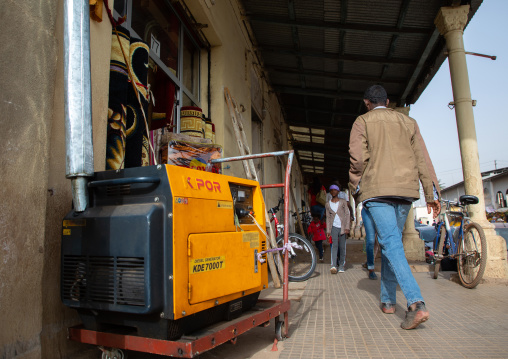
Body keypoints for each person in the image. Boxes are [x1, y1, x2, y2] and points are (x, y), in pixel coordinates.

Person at [349, 85, 441, 330]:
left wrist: (355, 185)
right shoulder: (408, 122)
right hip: (405, 193)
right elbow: (421, 158)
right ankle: (388, 301)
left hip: (377, 191)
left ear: (367, 103)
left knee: (390, 243)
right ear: (387, 101)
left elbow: (358, 159)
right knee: (393, 244)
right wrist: (430, 194)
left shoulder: (362, 121)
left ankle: (416, 304)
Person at [325, 184, 350, 274]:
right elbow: (328, 217)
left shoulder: (343, 202)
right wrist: (328, 231)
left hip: (342, 227)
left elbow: (347, 214)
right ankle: (333, 265)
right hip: (333, 228)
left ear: (338, 192)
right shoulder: (328, 204)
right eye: (331, 190)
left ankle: (341, 265)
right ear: (330, 192)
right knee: (334, 246)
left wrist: (347, 227)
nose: (333, 191)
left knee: (342, 247)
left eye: (335, 190)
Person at [362, 206, 379, 280]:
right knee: (371, 240)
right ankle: (371, 269)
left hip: (381, 209)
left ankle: (369, 261)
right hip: (367, 209)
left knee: (381, 241)